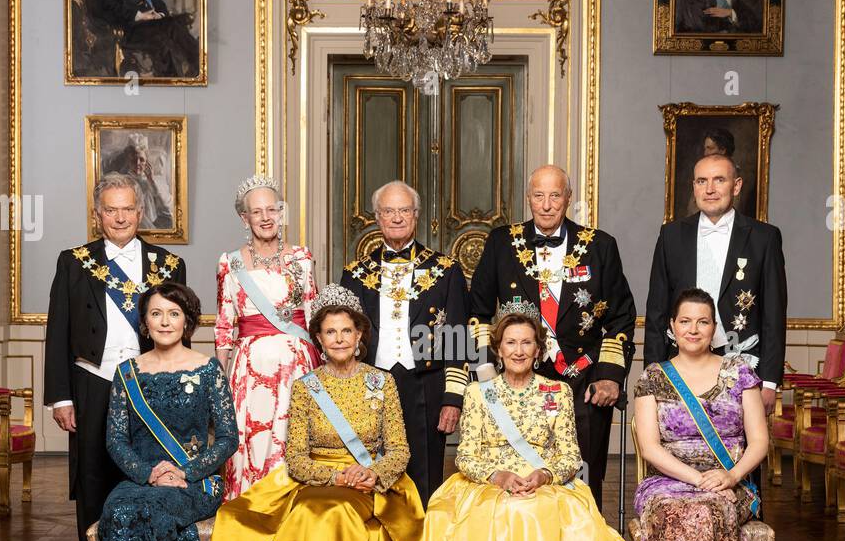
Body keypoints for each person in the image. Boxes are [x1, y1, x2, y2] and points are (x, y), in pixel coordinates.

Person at [404, 301, 643, 541]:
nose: (518, 350)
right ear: (498, 349)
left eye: (527, 343)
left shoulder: (558, 392)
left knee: (541, 514)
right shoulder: (479, 393)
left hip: (544, 482)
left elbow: (569, 456)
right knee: (479, 516)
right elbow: (466, 456)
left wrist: (544, 476)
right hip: (488, 483)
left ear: (539, 350)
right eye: (511, 343)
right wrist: (499, 477)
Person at [195, 285, 422, 541]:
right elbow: (296, 458)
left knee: (336, 515)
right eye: (330, 332)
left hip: (368, 480)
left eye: (346, 331)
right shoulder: (306, 387)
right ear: (317, 337)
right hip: (318, 480)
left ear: (360, 334)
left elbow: (399, 450)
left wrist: (371, 474)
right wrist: (334, 478)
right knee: (304, 515)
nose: (339, 339)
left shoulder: (383, 383)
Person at [45, 173, 187, 541]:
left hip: (149, 384)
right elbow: (58, 332)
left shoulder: (168, 264)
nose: (120, 217)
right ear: (97, 213)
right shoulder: (74, 261)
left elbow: (181, 329)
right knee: (94, 482)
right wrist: (60, 397)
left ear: (140, 213)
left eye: (127, 209)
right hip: (92, 383)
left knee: (150, 477)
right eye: (111, 209)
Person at [468, 164, 636, 511]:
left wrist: (609, 377)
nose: (546, 205)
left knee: (584, 479)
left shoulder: (600, 246)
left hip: (584, 382)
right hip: (516, 382)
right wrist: (486, 374)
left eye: (555, 195)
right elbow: (478, 312)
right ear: (528, 198)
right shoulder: (502, 242)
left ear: (568, 199)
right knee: (519, 480)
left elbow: (621, 319)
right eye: (538, 195)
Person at [98, 283, 238, 541]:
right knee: (122, 513)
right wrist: (149, 474)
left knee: (158, 514)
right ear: (144, 322)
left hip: (196, 481)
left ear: (188, 321)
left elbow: (227, 439)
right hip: (142, 478)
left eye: (174, 314)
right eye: (156, 313)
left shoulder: (208, 369)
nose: (165, 321)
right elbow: (116, 441)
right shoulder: (127, 373)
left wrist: (187, 471)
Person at [632, 288, 770, 541]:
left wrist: (730, 476)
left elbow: (759, 441)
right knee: (670, 510)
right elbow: (650, 448)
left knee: (711, 510)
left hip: (731, 477)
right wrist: (696, 479)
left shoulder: (740, 373)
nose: (694, 329)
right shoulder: (654, 378)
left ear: (715, 329)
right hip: (669, 479)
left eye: (703, 322)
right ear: (672, 327)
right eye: (686, 321)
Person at [340, 179, 469, 506]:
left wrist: (453, 398)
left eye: (404, 210)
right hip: (370, 383)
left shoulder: (445, 270)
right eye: (389, 211)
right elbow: (341, 339)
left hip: (425, 383)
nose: (397, 218)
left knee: (424, 478)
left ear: (416, 215)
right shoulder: (355, 274)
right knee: (369, 474)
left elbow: (457, 336)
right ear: (377, 217)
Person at [643, 153, 787, 413]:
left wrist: (769, 381)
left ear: (737, 185)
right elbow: (656, 311)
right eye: (701, 181)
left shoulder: (764, 238)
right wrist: (653, 373)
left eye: (719, 180)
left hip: (743, 366)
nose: (709, 189)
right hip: (680, 365)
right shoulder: (671, 235)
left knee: (738, 449)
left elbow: (773, 315)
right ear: (694, 186)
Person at [215, 175, 319, 499]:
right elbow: (223, 326)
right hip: (249, 372)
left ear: (281, 213)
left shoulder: (302, 257)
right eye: (257, 212)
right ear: (244, 218)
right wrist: (219, 384)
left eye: (272, 210)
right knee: (252, 442)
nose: (265, 217)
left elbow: (314, 313)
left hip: (296, 369)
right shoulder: (229, 263)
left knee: (293, 441)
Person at [102, 133, 173, 230]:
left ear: (147, 161)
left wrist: (151, 181)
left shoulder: (153, 181)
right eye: (133, 159)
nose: (138, 163)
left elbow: (165, 210)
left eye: (142, 160)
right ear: (128, 159)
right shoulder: (121, 180)